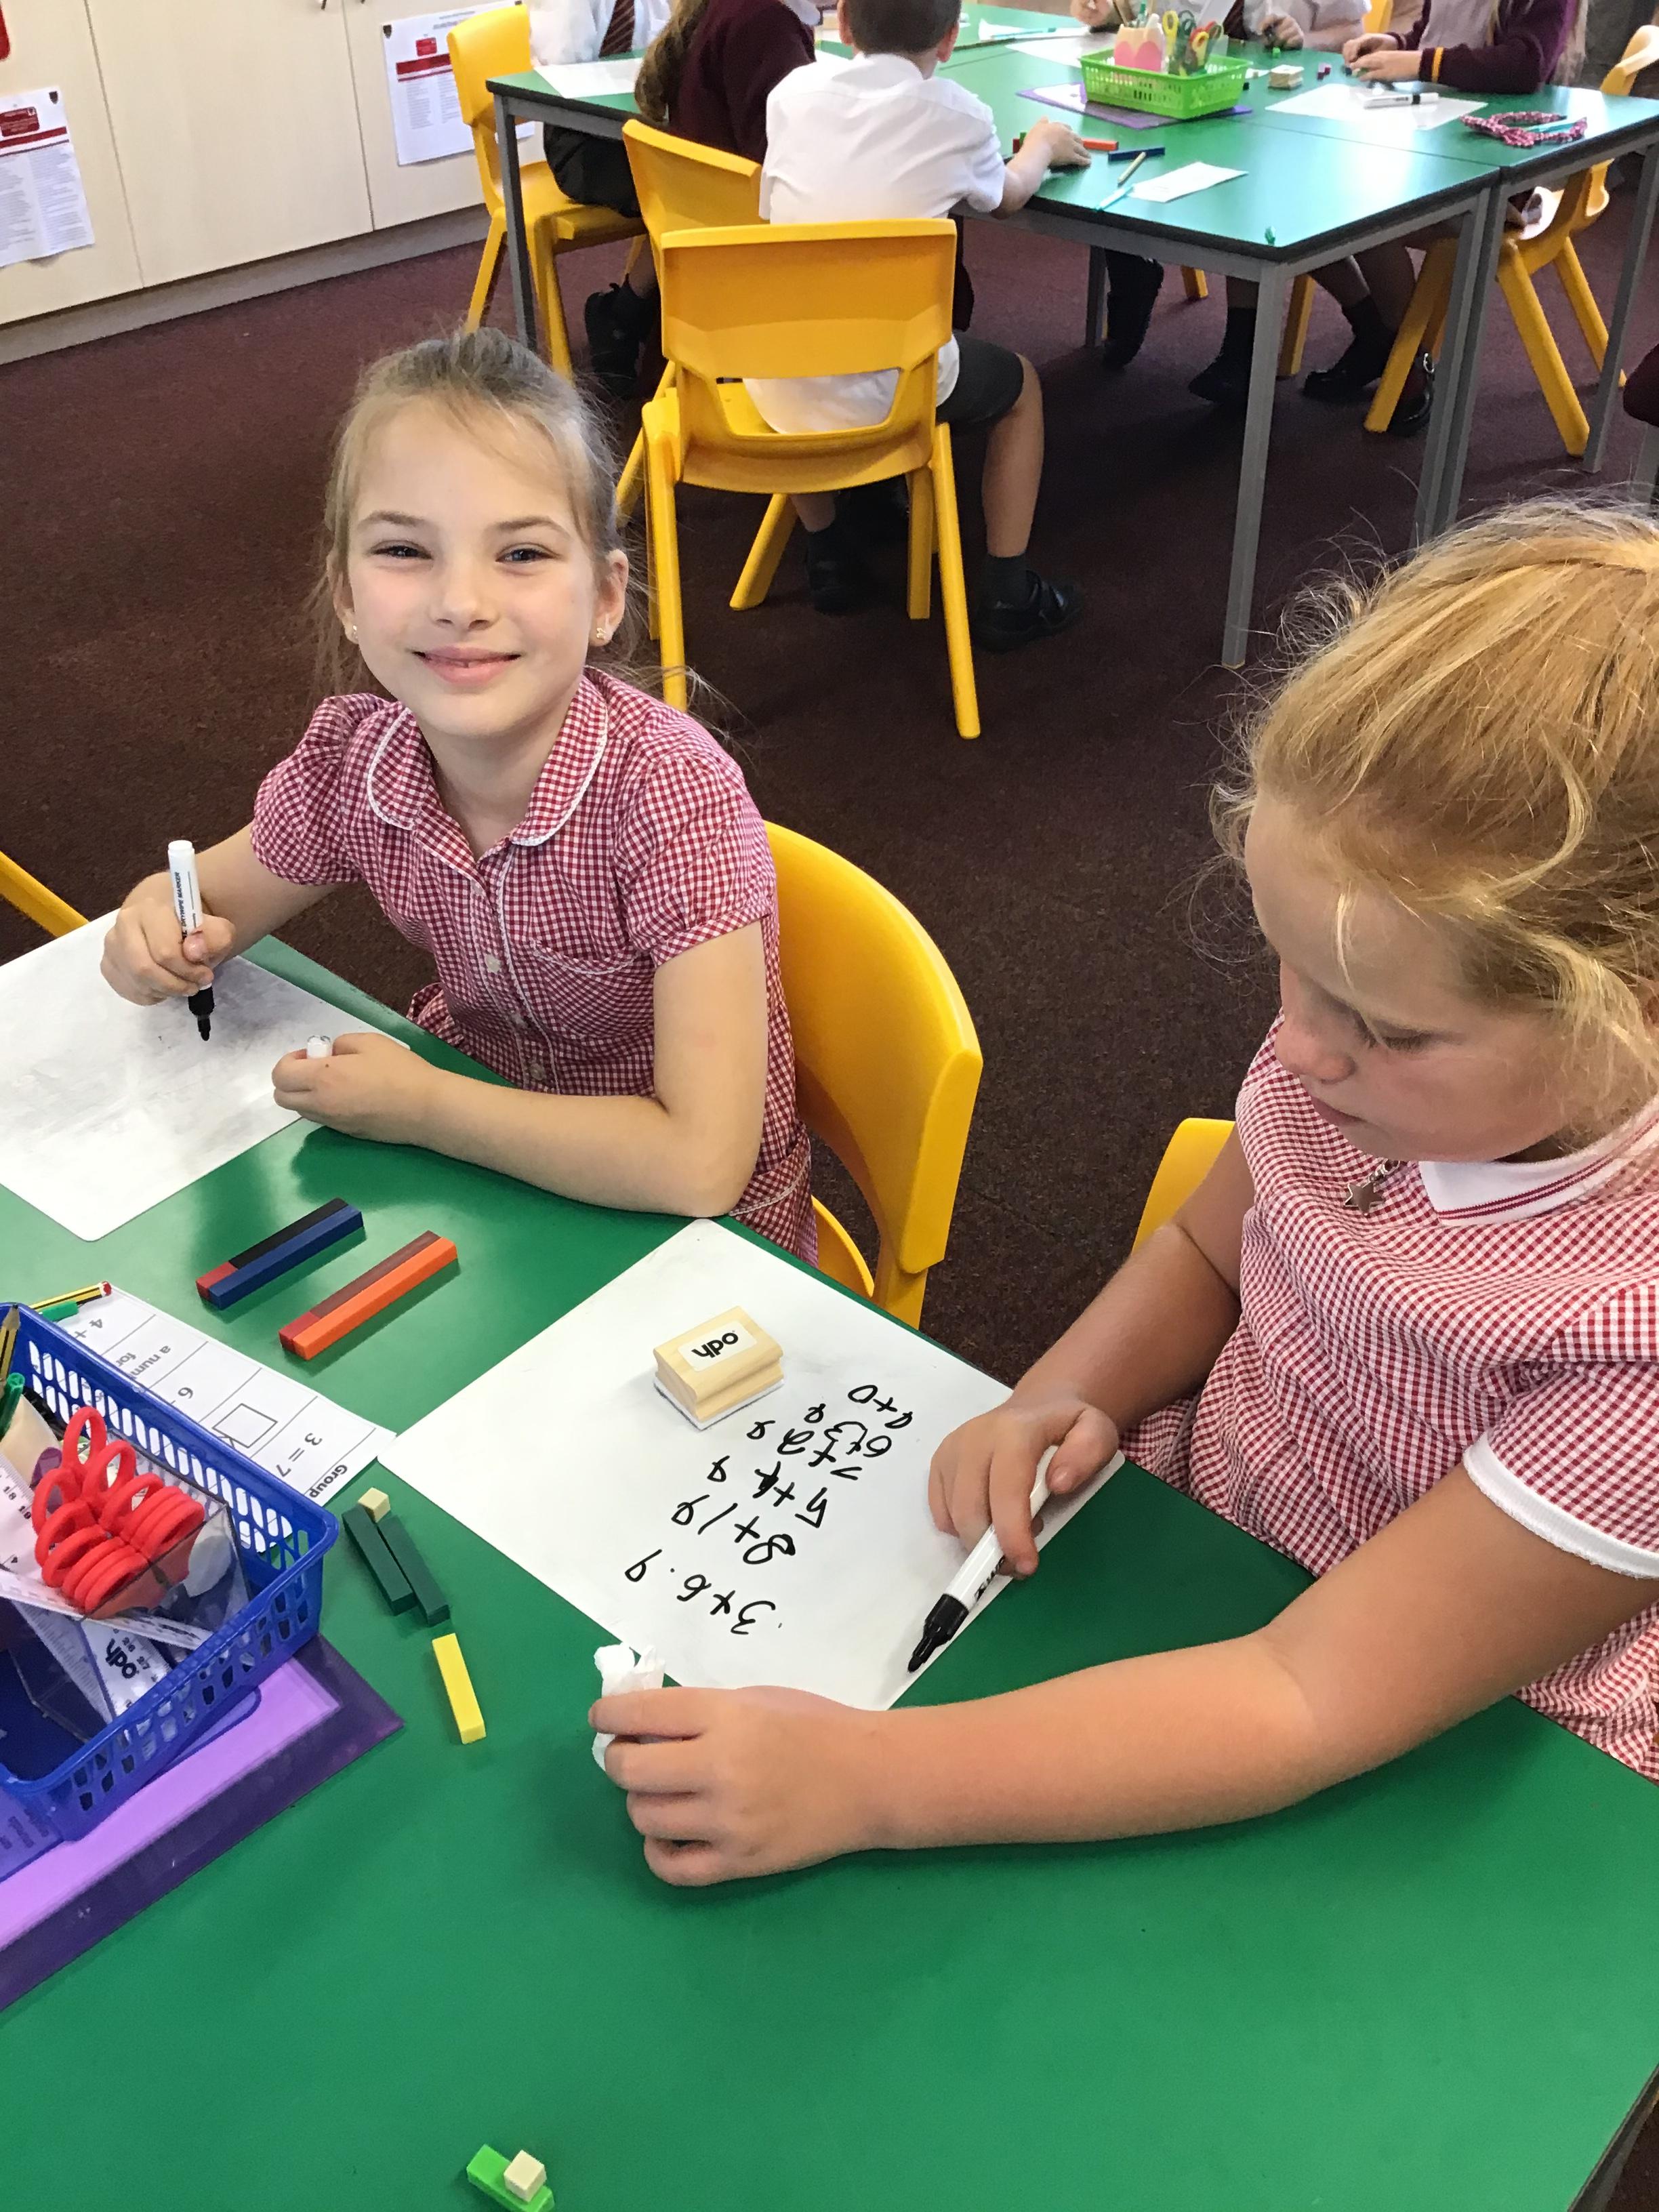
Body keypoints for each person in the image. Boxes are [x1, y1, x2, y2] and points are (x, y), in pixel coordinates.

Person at [590, 501, 1659, 1886]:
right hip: (1210, 1548)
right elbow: (1213, 1249)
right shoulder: (1361, 1046)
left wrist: (865, 1780)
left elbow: (1312, 1694)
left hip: (1457, 1747)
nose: (1300, 1044)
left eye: (1388, 1027)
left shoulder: (1630, 1334)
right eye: (1289, 967)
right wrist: (1059, 1390)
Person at [100, 329, 814, 1261]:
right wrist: (154, 931)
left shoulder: (671, 800)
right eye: (405, 549)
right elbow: (205, 905)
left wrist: (426, 1106)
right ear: (346, 596)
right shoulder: (359, 762)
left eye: (521, 553)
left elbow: (699, 1164)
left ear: (605, 598)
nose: (461, 602)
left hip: (688, 1247)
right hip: (487, 1187)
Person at [749, 0, 1088, 646]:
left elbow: (772, 209)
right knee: (1021, 387)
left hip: (766, 373)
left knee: (800, 356)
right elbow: (1008, 197)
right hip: (891, 388)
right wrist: (1042, 146)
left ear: (843, 23)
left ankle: (827, 552)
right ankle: (1009, 591)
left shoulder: (792, 94)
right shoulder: (959, 114)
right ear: (951, 39)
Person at [1296, 0, 1587, 428]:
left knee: (1372, 213)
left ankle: (1408, 363)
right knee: (1309, 194)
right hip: (1439, 141)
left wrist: (1418, 62)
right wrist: (1396, 44)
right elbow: (1436, 36)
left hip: (1496, 175)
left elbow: (1525, 65)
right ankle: (1378, 331)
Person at [1184, 0, 1367, 409]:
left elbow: (1354, 32)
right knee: (1241, 192)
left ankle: (1242, 352)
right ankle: (1369, 323)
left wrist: (1306, 40)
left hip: (1299, 112)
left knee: (1256, 197)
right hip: (1212, 100)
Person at [527, 0, 672, 394]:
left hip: (637, 129)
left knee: (704, 177)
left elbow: (660, 47)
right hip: (581, 143)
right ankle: (628, 315)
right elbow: (563, 71)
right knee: (686, 190)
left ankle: (630, 314)